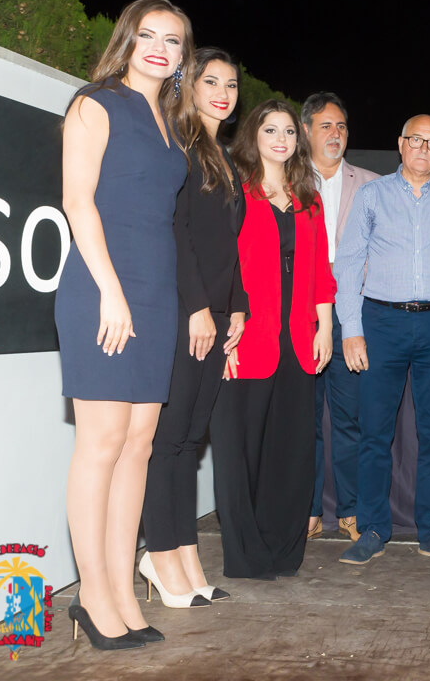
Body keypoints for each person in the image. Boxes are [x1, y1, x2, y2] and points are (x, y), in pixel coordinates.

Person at [56, 0, 195, 649]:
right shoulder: (96, 104)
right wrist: (111, 292)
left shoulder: (170, 121)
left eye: (173, 40)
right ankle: (92, 595)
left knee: (138, 445)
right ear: (128, 41)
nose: (160, 49)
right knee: (102, 442)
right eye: (149, 36)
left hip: (157, 294)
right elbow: (77, 202)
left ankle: (119, 588)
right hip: (102, 287)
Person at [334, 115, 430, 565]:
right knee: (374, 431)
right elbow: (348, 261)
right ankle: (373, 528)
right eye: (416, 140)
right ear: (400, 144)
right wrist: (352, 329)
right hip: (380, 323)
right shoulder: (372, 196)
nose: (424, 149)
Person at [140, 48, 246, 607]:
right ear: (189, 85)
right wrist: (198, 307)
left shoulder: (222, 155)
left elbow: (228, 245)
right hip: (188, 311)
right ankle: (159, 553)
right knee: (168, 439)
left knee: (188, 439)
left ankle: (185, 553)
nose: (223, 93)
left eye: (231, 84)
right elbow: (177, 232)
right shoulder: (179, 145)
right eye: (212, 82)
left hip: (219, 314)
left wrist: (238, 307)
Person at [212, 100, 335, 579]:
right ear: (254, 135)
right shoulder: (236, 191)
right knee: (242, 452)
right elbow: (223, 264)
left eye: (288, 131)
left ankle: (284, 550)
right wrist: (224, 332)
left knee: (291, 450)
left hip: (299, 341)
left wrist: (325, 328)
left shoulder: (309, 197)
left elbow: (321, 271)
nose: (281, 139)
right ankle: (246, 555)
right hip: (247, 338)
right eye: (271, 130)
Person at [302, 92, 378, 543]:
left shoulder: (372, 184)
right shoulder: (287, 178)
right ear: (306, 130)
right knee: (303, 418)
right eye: (326, 125)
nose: (336, 134)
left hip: (352, 313)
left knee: (350, 418)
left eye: (342, 126)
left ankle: (350, 509)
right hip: (300, 315)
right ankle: (309, 510)